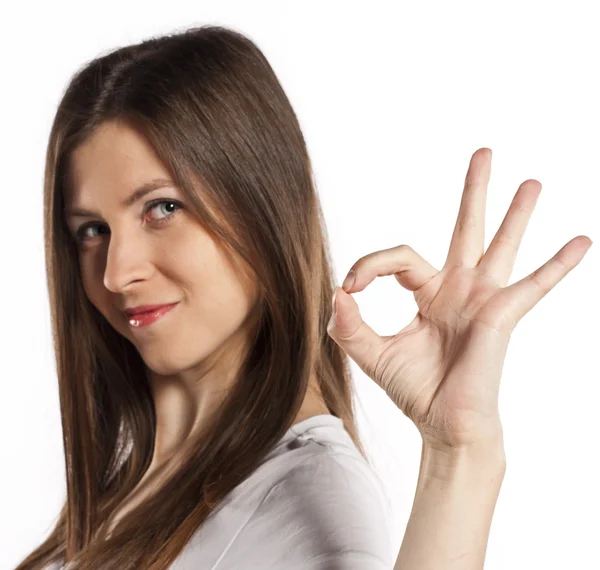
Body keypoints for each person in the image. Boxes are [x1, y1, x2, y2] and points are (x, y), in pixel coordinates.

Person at [16, 24, 592, 570]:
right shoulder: (134, 486)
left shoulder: (304, 497)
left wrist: (460, 455)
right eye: (91, 229)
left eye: (163, 208)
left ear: (262, 206)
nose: (117, 272)